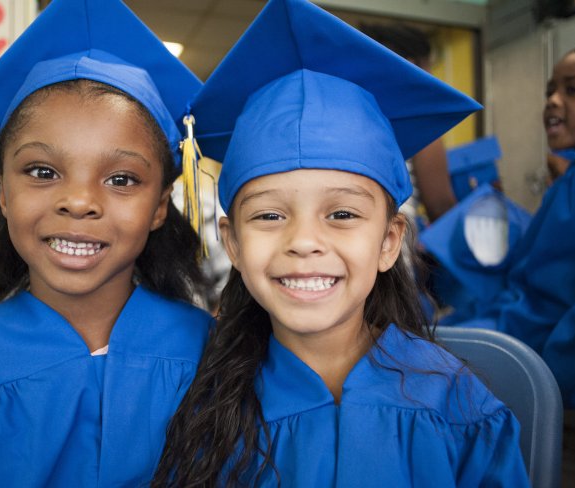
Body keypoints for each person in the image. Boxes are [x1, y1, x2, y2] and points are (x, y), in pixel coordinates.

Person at [152, 1, 529, 486]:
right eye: (269, 215)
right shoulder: (206, 405)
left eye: (342, 214)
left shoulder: (459, 405)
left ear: (390, 241)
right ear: (234, 244)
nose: (305, 241)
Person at [0, 0, 212, 486]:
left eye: (122, 178)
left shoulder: (220, 360)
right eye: (42, 171)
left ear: (161, 205)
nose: (79, 201)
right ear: (0, 192)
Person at [455, 45, 575, 409]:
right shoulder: (573, 175)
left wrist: (548, 377)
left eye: (573, 90)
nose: (553, 101)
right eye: (549, 91)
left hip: (541, 358)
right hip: (520, 333)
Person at [359, 23, 457, 224]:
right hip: (394, 248)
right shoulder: (419, 121)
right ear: (413, 64)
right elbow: (440, 205)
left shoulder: (352, 114)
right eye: (429, 67)